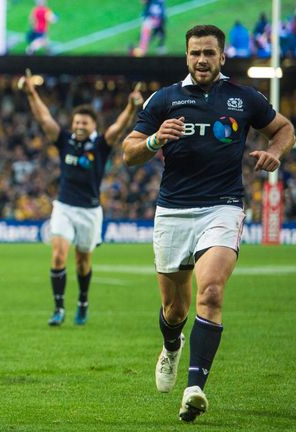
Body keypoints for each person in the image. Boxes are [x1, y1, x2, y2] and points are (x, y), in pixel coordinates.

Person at [122, 25, 295, 422]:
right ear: (186, 56)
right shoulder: (164, 99)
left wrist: (274, 151)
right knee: (173, 308)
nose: (202, 60)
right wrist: (153, 140)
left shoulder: (243, 97)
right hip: (173, 212)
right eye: (195, 53)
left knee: (212, 292)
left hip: (223, 208)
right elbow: (129, 153)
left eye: (209, 53)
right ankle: (170, 346)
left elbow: (284, 128)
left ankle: (194, 387)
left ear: (222, 58)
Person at [21, 68, 144, 327]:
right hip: (64, 206)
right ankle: (58, 308)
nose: (78, 126)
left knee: (82, 261)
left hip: (89, 211)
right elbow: (44, 118)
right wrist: (32, 92)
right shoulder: (64, 140)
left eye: (84, 123)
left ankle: (83, 301)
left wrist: (131, 107)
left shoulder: (101, 144)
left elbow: (119, 127)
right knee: (57, 256)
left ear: (93, 126)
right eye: (76, 122)